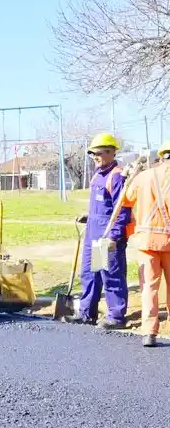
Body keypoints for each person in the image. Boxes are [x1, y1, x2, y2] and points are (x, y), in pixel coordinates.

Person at [112, 142, 170, 347]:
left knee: (149, 288)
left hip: (147, 242)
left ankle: (149, 332)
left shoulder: (144, 177)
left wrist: (130, 178)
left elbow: (125, 200)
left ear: (162, 157)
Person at [70, 132, 130, 329]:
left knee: (111, 275)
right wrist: (89, 216)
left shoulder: (117, 177)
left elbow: (121, 211)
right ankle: (87, 313)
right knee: (91, 274)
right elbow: (103, 207)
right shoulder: (97, 176)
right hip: (93, 234)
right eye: (93, 154)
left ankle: (116, 316)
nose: (95, 157)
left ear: (111, 153)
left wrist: (114, 236)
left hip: (107, 237)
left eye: (98, 153)